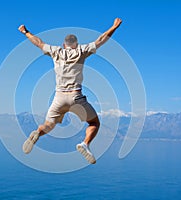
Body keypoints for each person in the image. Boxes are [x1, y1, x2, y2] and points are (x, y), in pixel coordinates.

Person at [18, 18, 122, 164]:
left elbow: (38, 42)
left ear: (63, 45)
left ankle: (38, 132)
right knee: (94, 123)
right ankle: (84, 144)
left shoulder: (56, 51)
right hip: (76, 97)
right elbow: (101, 40)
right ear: (76, 45)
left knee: (49, 125)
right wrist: (114, 27)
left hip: (58, 98)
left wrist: (26, 32)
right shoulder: (81, 51)